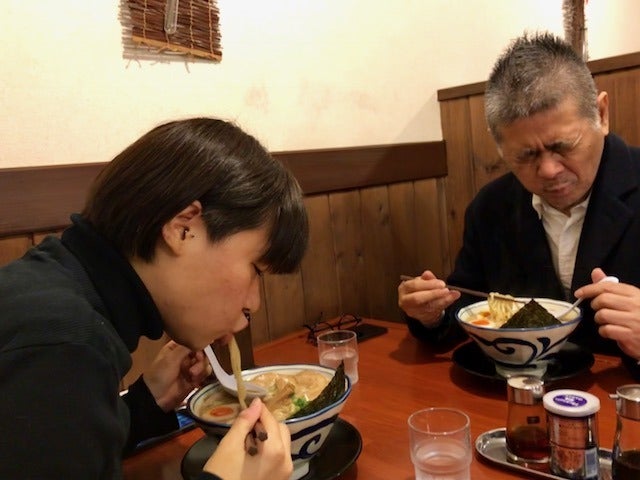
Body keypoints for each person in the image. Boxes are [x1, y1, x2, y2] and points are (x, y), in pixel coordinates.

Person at [0, 117, 309, 479]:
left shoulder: (54, 289)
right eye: (256, 269)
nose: (253, 303)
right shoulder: (61, 343)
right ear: (183, 228)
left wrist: (146, 404)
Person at [398, 32, 640, 379]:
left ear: (601, 115)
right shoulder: (490, 208)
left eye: (563, 145)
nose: (549, 170)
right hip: (509, 396)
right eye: (525, 155)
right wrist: (431, 315)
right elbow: (467, 305)